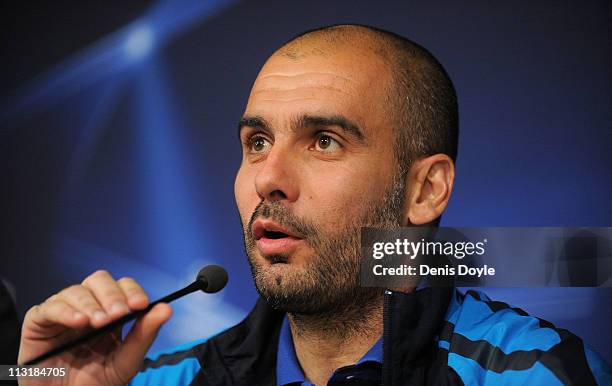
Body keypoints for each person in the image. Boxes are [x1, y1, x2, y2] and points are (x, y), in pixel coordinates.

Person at [18, 24, 610, 386]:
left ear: (426, 190)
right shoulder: (157, 380)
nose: (268, 180)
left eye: (324, 141)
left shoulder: (533, 373)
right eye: (257, 143)